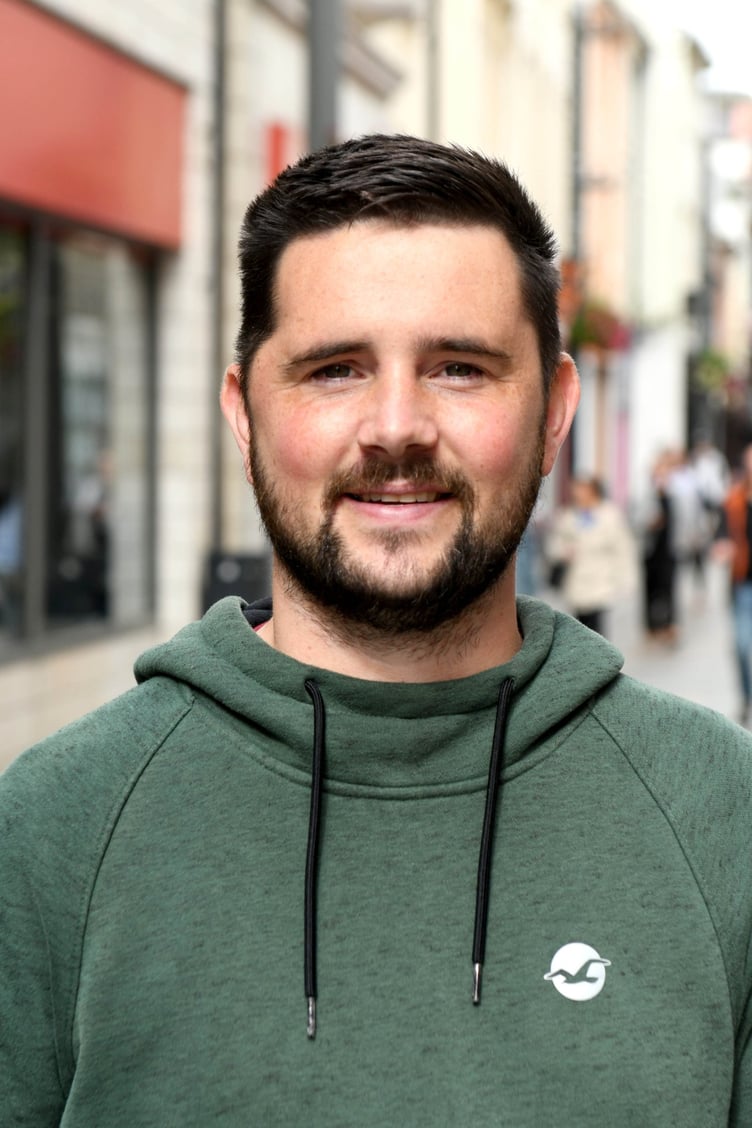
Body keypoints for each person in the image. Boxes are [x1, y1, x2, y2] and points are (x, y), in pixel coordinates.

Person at [2, 135, 752, 1127]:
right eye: (334, 370)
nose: (396, 426)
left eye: (459, 367)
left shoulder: (723, 815)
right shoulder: (51, 830)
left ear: (554, 411)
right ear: (244, 412)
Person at [546, 475, 636, 635]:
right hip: (576, 581)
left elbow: (623, 549)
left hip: (601, 580)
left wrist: (626, 579)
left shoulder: (609, 515)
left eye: (581, 489)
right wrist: (563, 551)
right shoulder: (569, 516)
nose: (576, 493)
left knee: (597, 627)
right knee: (579, 626)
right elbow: (554, 544)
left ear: (593, 491)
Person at [715, 443, 752, 724]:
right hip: (742, 584)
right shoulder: (733, 500)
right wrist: (721, 546)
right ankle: (746, 697)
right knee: (741, 645)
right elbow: (721, 533)